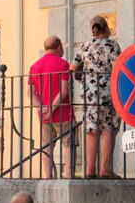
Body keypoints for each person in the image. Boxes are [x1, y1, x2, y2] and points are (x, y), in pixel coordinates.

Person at [69, 16, 122, 178]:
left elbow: (72, 67)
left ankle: (89, 170)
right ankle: (105, 170)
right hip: (107, 91)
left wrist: (82, 80)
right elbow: (117, 65)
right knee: (108, 128)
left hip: (89, 93)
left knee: (91, 129)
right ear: (106, 28)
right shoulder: (112, 45)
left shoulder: (85, 46)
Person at [28, 36, 74, 179]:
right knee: (68, 144)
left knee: (46, 146)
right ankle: (69, 175)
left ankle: (48, 177)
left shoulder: (34, 66)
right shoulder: (63, 64)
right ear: (59, 47)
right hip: (63, 113)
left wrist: (42, 109)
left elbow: (30, 93)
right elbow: (64, 91)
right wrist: (52, 108)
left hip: (44, 117)